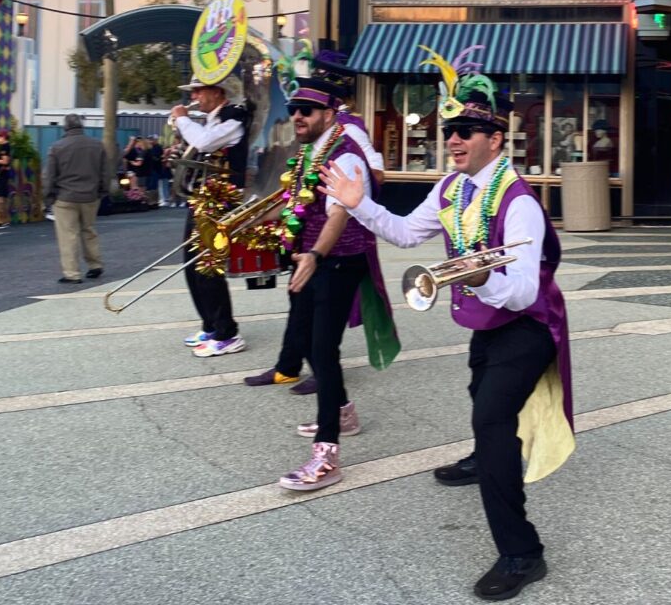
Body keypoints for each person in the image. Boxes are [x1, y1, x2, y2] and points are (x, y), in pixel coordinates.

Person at [319, 53, 575, 601]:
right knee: (480, 387)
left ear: (496, 139)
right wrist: (358, 203)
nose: (453, 139)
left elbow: (525, 291)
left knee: (491, 415)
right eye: (450, 130)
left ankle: (522, 553)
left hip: (530, 325)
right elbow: (409, 235)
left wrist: (478, 276)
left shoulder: (520, 202)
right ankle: (486, 458)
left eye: (467, 131)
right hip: (488, 321)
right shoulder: (450, 189)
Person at [245, 74, 399, 492]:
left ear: (329, 114)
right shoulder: (310, 153)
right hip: (312, 260)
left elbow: (339, 214)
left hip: (337, 261)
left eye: (306, 111)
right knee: (312, 343)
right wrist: (244, 223)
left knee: (321, 349)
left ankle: (327, 451)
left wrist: (315, 255)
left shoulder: (343, 156)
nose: (296, 116)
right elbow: (294, 203)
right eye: (294, 109)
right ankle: (343, 410)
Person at [170, 76, 250, 357]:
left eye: (198, 91)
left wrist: (181, 120)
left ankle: (228, 333)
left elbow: (204, 143)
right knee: (192, 265)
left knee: (208, 267)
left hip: (220, 203)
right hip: (203, 199)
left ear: (216, 92)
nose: (194, 96)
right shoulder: (213, 120)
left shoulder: (234, 118)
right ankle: (211, 325)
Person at [44, 113, 110, 284]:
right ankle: (95, 265)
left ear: (65, 127)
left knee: (68, 235)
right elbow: (105, 172)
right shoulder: (97, 145)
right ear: (82, 126)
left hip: (65, 197)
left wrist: (48, 197)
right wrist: (102, 192)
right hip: (90, 196)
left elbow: (49, 176)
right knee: (89, 230)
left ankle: (72, 273)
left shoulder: (57, 147)